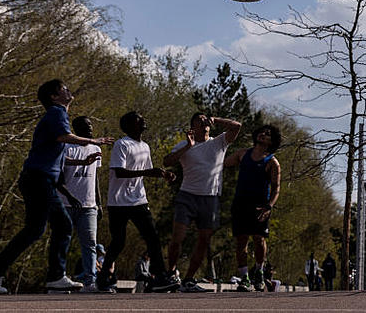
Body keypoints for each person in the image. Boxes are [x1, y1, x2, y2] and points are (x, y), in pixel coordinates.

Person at [0, 80, 113, 295]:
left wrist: (79, 164)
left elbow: (58, 154)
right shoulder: (57, 112)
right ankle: (52, 276)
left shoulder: (55, 114)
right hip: (39, 179)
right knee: (61, 225)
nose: (68, 91)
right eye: (64, 89)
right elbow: (64, 137)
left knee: (40, 228)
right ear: (54, 96)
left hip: (38, 179)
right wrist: (93, 140)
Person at [97, 111, 179, 293]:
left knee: (153, 238)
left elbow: (147, 169)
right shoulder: (122, 144)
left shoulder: (145, 146)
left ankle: (159, 277)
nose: (143, 120)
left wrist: (164, 174)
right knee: (118, 242)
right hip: (118, 202)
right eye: (138, 119)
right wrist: (147, 173)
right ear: (129, 125)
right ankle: (103, 278)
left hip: (138, 200)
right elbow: (119, 171)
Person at [164, 112, 241, 292]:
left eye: (206, 120)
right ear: (193, 127)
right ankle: (171, 273)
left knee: (204, 239)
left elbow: (237, 126)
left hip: (210, 198)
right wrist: (187, 147)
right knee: (177, 238)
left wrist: (216, 119)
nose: (204, 122)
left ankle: (188, 279)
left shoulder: (219, 142)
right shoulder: (184, 145)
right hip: (187, 196)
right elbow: (166, 161)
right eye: (200, 120)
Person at [224, 124, 281, 292]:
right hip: (240, 203)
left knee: (258, 239)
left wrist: (269, 206)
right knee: (241, 241)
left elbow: (276, 188)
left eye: (268, 134)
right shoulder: (242, 154)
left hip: (260, 206)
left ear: (272, 140)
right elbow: (223, 163)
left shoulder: (272, 161)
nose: (263, 134)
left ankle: (259, 272)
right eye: (262, 132)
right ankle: (244, 278)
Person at [56, 116, 103, 292]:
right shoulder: (66, 148)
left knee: (90, 243)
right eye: (85, 125)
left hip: (88, 205)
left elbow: (95, 178)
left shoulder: (96, 148)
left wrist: (99, 203)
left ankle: (90, 281)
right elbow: (59, 178)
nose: (90, 127)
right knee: (62, 242)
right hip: (66, 204)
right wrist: (68, 195)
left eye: (91, 124)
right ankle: (58, 279)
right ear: (76, 128)